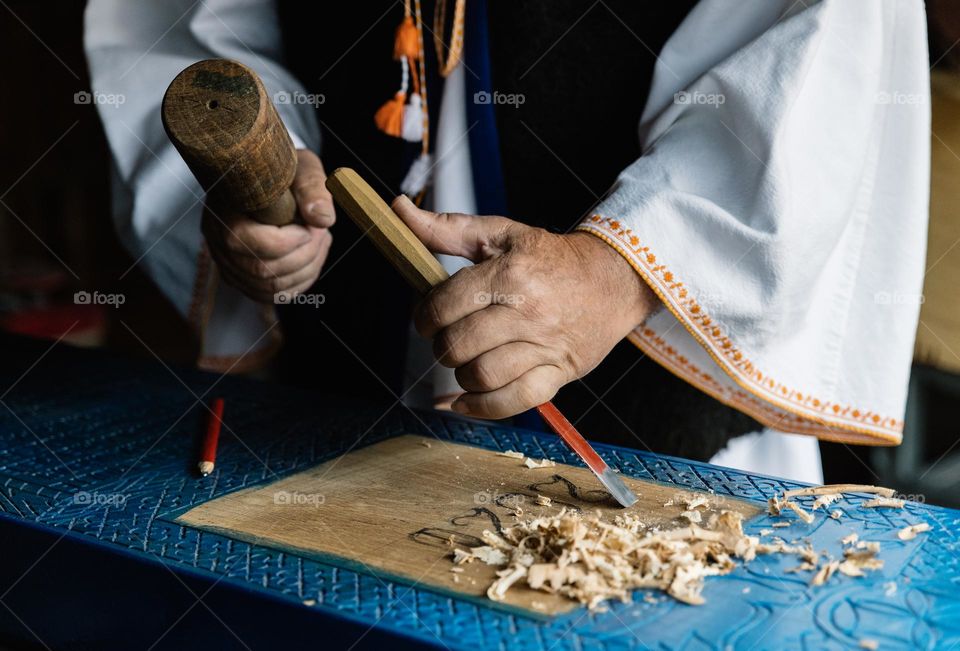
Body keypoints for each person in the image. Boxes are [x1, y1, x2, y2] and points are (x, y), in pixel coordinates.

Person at [84, 0, 930, 482]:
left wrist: (619, 270)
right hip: (339, 406)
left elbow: (814, 41)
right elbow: (195, 25)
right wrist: (257, 184)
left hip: (666, 412)